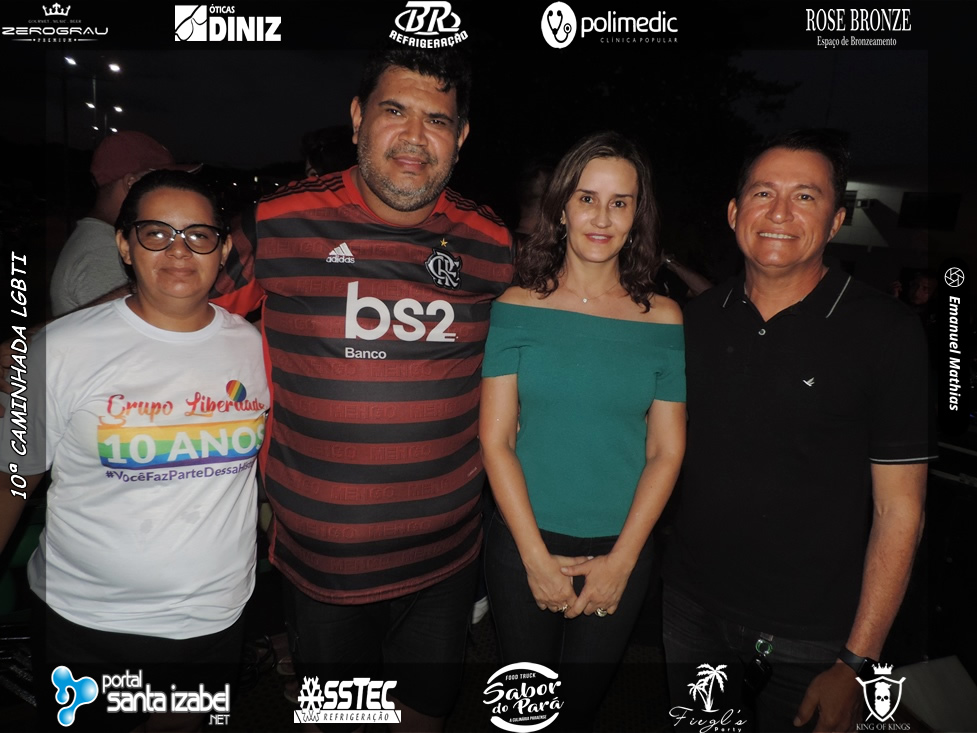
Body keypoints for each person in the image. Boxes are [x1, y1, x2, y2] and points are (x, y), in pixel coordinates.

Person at [210, 47, 512, 731]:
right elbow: (172, 304)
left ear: (461, 137)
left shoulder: (490, 241)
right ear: (357, 118)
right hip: (325, 568)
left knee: (423, 717)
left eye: (437, 120)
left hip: (446, 559)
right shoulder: (278, 223)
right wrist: (42, 346)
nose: (414, 137)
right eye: (394, 111)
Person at [662, 130, 932, 732]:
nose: (780, 212)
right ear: (734, 212)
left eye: (805, 196)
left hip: (815, 639)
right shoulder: (694, 322)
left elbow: (901, 512)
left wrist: (857, 663)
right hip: (691, 609)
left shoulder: (886, 332)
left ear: (836, 220)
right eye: (763, 193)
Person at [0, 170, 269, 731]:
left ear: (222, 250)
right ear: (124, 244)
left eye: (199, 235)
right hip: (85, 622)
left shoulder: (252, 347)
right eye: (156, 233)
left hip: (211, 619)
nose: (179, 250)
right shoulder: (59, 349)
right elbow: (11, 478)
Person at [480, 131, 686, 730]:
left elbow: (666, 450)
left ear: (637, 216)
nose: (602, 217)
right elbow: (496, 440)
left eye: (620, 202)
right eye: (587, 198)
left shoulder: (663, 317)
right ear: (563, 207)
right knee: (524, 717)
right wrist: (534, 559)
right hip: (523, 543)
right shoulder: (516, 307)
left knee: (578, 713)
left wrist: (622, 561)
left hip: (621, 548)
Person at [49, 131, 199, 316]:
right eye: (160, 181)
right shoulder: (103, 252)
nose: (169, 191)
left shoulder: (102, 237)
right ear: (131, 183)